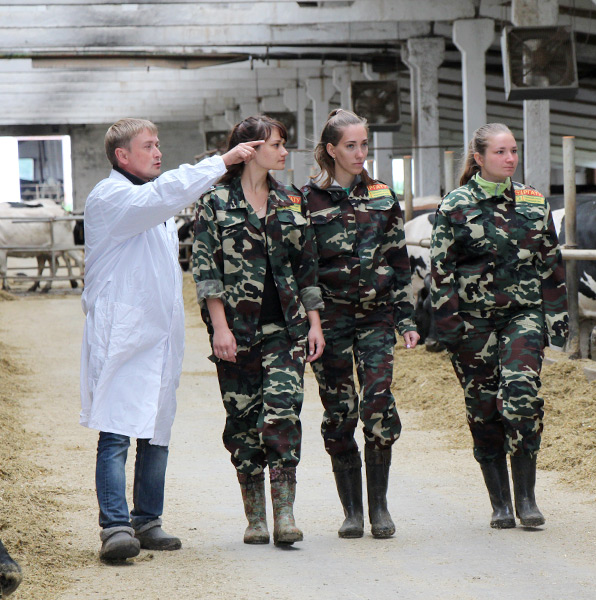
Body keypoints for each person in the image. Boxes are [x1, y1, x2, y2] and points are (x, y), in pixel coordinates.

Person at [80, 118, 261, 561]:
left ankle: (148, 519)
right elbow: (166, 194)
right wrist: (222, 161)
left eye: (159, 144)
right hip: (123, 336)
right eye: (149, 146)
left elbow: (164, 202)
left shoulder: (151, 206)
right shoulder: (112, 197)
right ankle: (116, 526)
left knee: (157, 430)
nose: (158, 152)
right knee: (118, 428)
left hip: (157, 336)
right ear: (122, 156)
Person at [192, 115, 324, 546]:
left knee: (283, 414)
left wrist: (315, 323)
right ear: (249, 149)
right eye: (277, 144)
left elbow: (307, 268)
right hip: (237, 332)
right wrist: (219, 329)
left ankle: (285, 515)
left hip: (286, 330)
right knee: (243, 423)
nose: (284, 152)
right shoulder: (215, 202)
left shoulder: (291, 200)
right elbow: (206, 271)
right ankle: (256, 519)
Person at [429, 123, 568, 529]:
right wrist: (449, 328)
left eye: (513, 151)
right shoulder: (454, 205)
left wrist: (556, 321)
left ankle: (526, 499)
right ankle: (501, 504)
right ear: (479, 158)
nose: (510, 159)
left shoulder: (533, 201)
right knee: (484, 411)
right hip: (472, 323)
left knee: (521, 397)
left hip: (522, 316)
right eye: (501, 152)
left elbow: (551, 265)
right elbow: (441, 272)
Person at [302, 109, 419, 539]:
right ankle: (351, 511)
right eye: (350, 145)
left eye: (365, 144)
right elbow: (304, 270)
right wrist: (310, 322)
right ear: (331, 149)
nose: (360, 153)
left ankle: (380, 508)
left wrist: (406, 319)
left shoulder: (384, 196)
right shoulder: (306, 200)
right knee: (340, 412)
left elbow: (398, 261)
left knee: (378, 404)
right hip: (329, 319)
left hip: (376, 316)